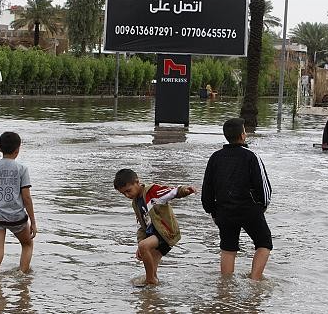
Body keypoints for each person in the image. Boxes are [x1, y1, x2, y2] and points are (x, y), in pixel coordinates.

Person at [201, 118, 272, 281]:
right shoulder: (251, 156)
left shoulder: (215, 158)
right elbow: (264, 187)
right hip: (249, 210)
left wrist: (211, 210)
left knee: (228, 249)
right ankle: (255, 280)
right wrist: (262, 206)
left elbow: (207, 188)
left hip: (224, 212)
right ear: (242, 135)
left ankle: (225, 289)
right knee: (264, 243)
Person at [113, 169, 196, 286]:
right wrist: (140, 244)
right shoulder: (136, 203)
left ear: (137, 182)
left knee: (144, 248)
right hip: (153, 235)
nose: (127, 195)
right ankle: (153, 292)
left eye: (128, 191)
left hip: (166, 232)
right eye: (123, 194)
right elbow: (142, 226)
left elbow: (171, 192)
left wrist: (185, 190)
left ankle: (150, 280)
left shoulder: (152, 192)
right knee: (151, 267)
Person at [0, 131, 37, 275]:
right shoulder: (22, 169)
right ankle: (22, 278)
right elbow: (26, 198)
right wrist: (33, 222)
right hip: (16, 217)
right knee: (27, 244)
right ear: (18, 150)